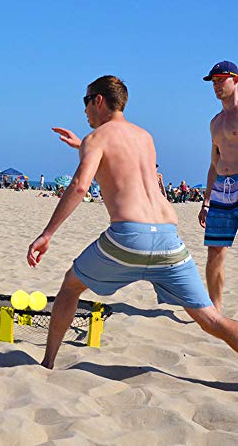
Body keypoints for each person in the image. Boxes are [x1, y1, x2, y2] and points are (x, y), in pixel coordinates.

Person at [27, 75, 238, 369]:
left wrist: (47, 234)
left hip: (128, 238)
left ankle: (48, 362)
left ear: (99, 100)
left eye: (86, 101)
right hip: (169, 240)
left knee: (70, 286)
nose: (84, 110)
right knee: (212, 320)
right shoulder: (144, 137)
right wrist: (81, 146)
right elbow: (123, 163)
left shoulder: (96, 139)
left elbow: (79, 186)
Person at [199, 61, 238, 312]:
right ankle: (216, 308)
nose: (216, 85)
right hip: (222, 189)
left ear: (236, 80)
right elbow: (214, 164)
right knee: (214, 252)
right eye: (213, 81)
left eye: (221, 80)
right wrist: (205, 201)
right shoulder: (215, 122)